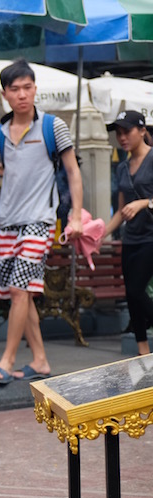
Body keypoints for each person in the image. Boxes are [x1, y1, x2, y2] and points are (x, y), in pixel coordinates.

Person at [0, 58, 83, 385]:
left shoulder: (52, 126)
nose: (22, 94)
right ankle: (41, 360)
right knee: (23, 293)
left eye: (27, 87)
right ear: (5, 95)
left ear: (35, 89)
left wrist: (75, 217)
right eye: (15, 89)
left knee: (18, 291)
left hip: (40, 222)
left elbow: (73, 172)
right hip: (8, 225)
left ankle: (7, 359)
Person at [103, 110, 153, 355]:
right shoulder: (122, 167)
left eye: (127, 131)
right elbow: (121, 210)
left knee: (136, 290)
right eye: (118, 133)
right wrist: (100, 234)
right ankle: (143, 351)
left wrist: (144, 203)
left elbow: (137, 204)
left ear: (142, 131)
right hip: (130, 238)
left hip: (151, 237)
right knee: (131, 295)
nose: (122, 138)